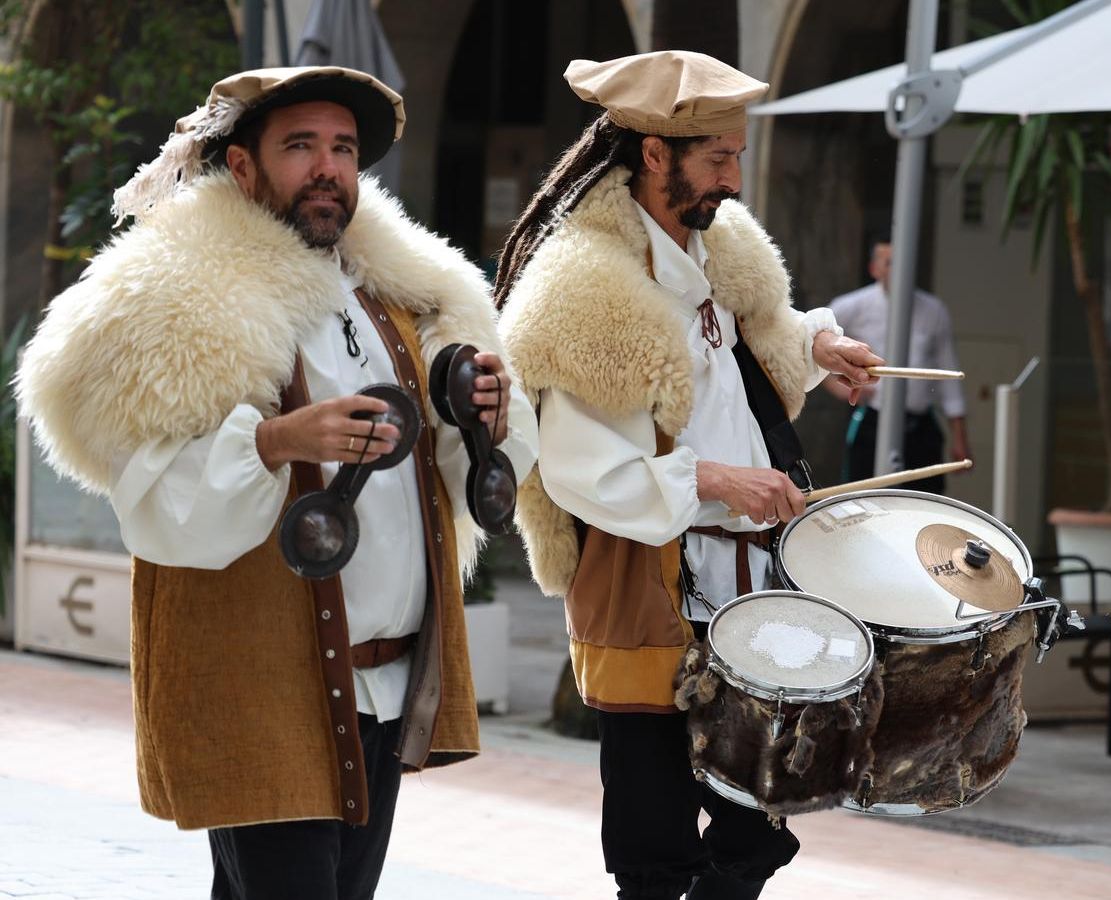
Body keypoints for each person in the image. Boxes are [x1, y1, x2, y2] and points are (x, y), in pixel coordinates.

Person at [15, 67, 538, 900]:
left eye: (342, 149)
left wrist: (479, 412)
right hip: (260, 687)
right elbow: (152, 499)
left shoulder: (388, 300)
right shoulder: (185, 299)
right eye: (301, 147)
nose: (328, 167)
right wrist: (272, 442)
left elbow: (455, 475)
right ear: (244, 168)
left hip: (382, 684)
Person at [493, 51, 882, 899]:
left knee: (757, 827)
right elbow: (579, 471)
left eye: (737, 155)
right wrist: (715, 480)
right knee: (654, 850)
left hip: (745, 582)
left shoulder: (718, 246)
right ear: (654, 155)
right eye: (719, 158)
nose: (735, 178)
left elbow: (747, 345)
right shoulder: (584, 287)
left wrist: (818, 346)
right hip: (646, 585)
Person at [825, 238, 970, 492]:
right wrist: (836, 386)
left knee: (927, 499)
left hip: (920, 423)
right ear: (875, 269)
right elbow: (814, 345)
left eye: (903, 262)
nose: (898, 269)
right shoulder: (851, 306)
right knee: (863, 497)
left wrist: (960, 438)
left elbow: (949, 380)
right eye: (890, 263)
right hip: (873, 419)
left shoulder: (934, 310)